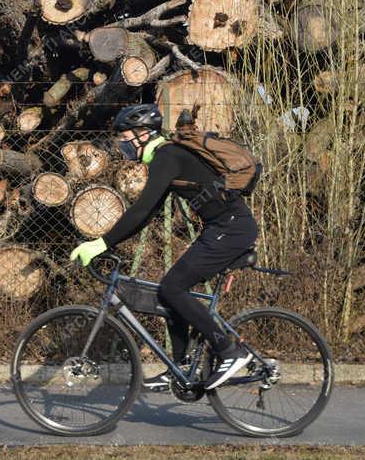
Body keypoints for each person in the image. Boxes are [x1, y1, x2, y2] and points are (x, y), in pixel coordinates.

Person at [69, 103, 258, 391]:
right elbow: (148, 214)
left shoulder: (167, 156)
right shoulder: (168, 158)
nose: (122, 145)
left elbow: (141, 210)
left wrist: (100, 243)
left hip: (231, 229)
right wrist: (109, 244)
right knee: (169, 292)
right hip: (224, 229)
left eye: (125, 137)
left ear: (143, 134)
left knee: (173, 288)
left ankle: (230, 351)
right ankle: (179, 367)